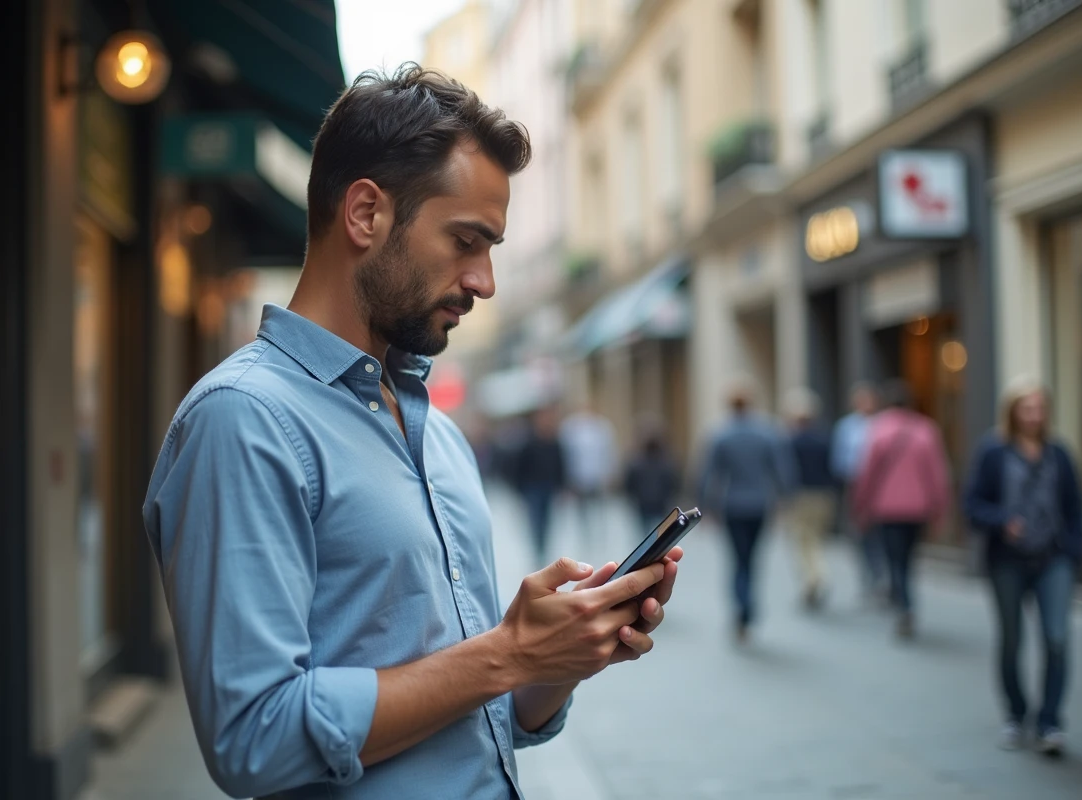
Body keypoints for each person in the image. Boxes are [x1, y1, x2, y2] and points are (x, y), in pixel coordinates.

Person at [142, 65, 682, 800]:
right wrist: (506, 652)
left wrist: (556, 657)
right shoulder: (243, 420)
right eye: (467, 240)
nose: (485, 281)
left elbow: (490, 714)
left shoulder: (439, 433)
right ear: (365, 214)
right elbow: (252, 738)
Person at [964, 378, 1082, 757]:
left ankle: (1050, 721)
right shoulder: (994, 452)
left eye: (1039, 408)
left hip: (1053, 559)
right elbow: (972, 504)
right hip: (1008, 561)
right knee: (1012, 640)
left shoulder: (1059, 454)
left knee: (1057, 638)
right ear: (1013, 412)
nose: (1034, 415)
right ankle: (1016, 715)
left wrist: (1073, 549)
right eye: (1026, 408)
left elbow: (1074, 507)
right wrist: (1002, 521)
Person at [697, 382, 796, 642]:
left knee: (738, 559)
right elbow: (782, 470)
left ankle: (742, 605)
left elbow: (708, 474)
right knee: (751, 559)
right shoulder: (767, 432)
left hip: (732, 505)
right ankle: (747, 603)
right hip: (759, 504)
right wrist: (786, 498)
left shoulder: (721, 434)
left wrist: (703, 506)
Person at [851, 380, 950, 640]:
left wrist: (860, 505)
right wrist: (940, 508)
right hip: (918, 509)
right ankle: (905, 599)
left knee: (894, 558)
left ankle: (903, 603)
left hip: (887, 508)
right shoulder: (926, 430)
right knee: (908, 557)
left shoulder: (878, 429)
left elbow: (867, 474)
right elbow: (938, 475)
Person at [832, 382, 886, 603]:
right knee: (861, 533)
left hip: (881, 487)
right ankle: (870, 577)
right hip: (855, 484)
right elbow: (840, 459)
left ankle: (882, 575)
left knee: (881, 533)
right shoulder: (846, 427)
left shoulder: (883, 425)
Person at [783, 388, 836, 610]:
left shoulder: (791, 442)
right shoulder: (824, 439)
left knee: (803, 541)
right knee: (815, 539)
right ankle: (816, 577)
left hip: (801, 496)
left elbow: (786, 472)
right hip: (824, 495)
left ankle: (814, 578)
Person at [513, 407, 567, 565]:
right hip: (532, 488)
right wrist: (520, 488)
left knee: (547, 520)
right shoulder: (529, 442)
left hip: (549, 487)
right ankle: (538, 549)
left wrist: (562, 486)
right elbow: (519, 467)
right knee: (535, 520)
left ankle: (543, 547)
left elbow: (560, 465)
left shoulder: (555, 442)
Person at [559, 404, 618, 547]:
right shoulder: (571, 428)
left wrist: (609, 473)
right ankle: (586, 534)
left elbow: (608, 452)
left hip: (597, 476)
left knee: (599, 507)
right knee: (582, 508)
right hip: (579, 477)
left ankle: (600, 533)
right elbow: (566, 456)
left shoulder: (602, 427)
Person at [623, 418, 682, 537]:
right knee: (662, 532)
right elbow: (674, 483)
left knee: (645, 533)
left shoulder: (636, 461)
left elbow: (629, 484)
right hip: (661, 503)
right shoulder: (667, 461)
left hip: (643, 503)